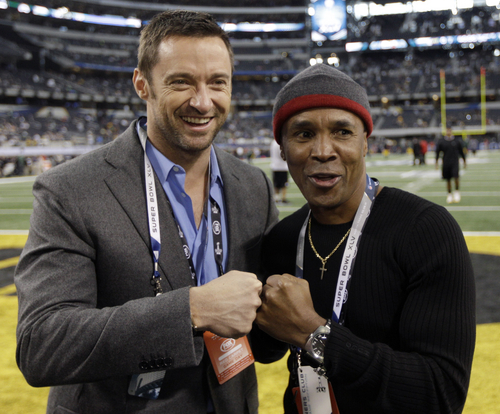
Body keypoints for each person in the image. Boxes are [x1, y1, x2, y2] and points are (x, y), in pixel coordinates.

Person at [15, 10, 281, 414]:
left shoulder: (252, 185)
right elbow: (42, 344)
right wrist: (191, 310)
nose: (202, 101)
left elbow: (264, 337)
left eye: (217, 82)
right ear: (142, 84)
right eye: (181, 82)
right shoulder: (69, 189)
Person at [256, 64, 475, 414]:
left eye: (342, 132)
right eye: (304, 134)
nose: (323, 150)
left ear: (365, 142)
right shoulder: (283, 238)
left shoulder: (427, 230)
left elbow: (440, 394)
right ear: (282, 148)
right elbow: (267, 350)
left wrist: (315, 334)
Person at [435, 126, 466, 204]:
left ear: (451, 131)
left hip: (455, 162)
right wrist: (436, 163)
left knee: (456, 177)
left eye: (449, 130)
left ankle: (457, 192)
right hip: (446, 162)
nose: (448, 132)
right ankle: (449, 194)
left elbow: (461, 152)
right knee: (448, 179)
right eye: (447, 130)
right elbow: (437, 153)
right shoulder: (442, 141)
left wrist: (464, 161)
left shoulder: (456, 141)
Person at [270, 139, 290, 204]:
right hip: (282, 167)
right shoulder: (280, 143)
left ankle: (276, 198)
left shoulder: (273, 143)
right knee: (284, 184)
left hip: (275, 166)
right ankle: (283, 199)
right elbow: (282, 155)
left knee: (276, 184)